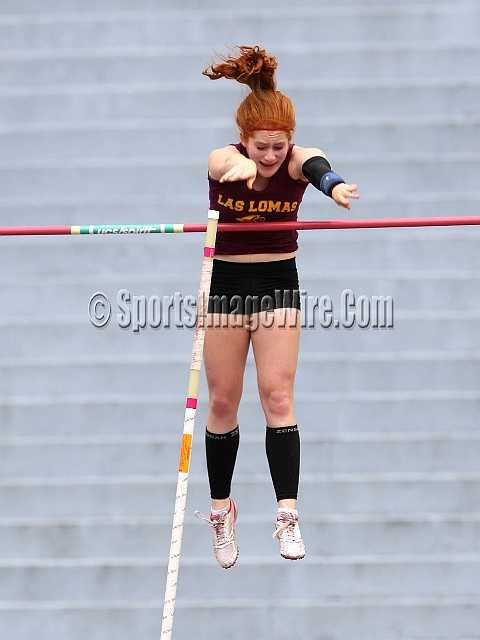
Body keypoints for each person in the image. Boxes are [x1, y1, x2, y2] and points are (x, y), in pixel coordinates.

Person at [194, 46, 359, 569]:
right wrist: (241, 166)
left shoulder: (294, 156)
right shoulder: (226, 158)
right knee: (222, 400)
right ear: (244, 139)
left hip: (276, 281)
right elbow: (224, 163)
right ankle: (222, 512)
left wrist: (331, 186)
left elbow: (315, 164)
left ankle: (287, 513)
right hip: (226, 282)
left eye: (276, 147)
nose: (269, 157)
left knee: (277, 394)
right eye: (260, 147)